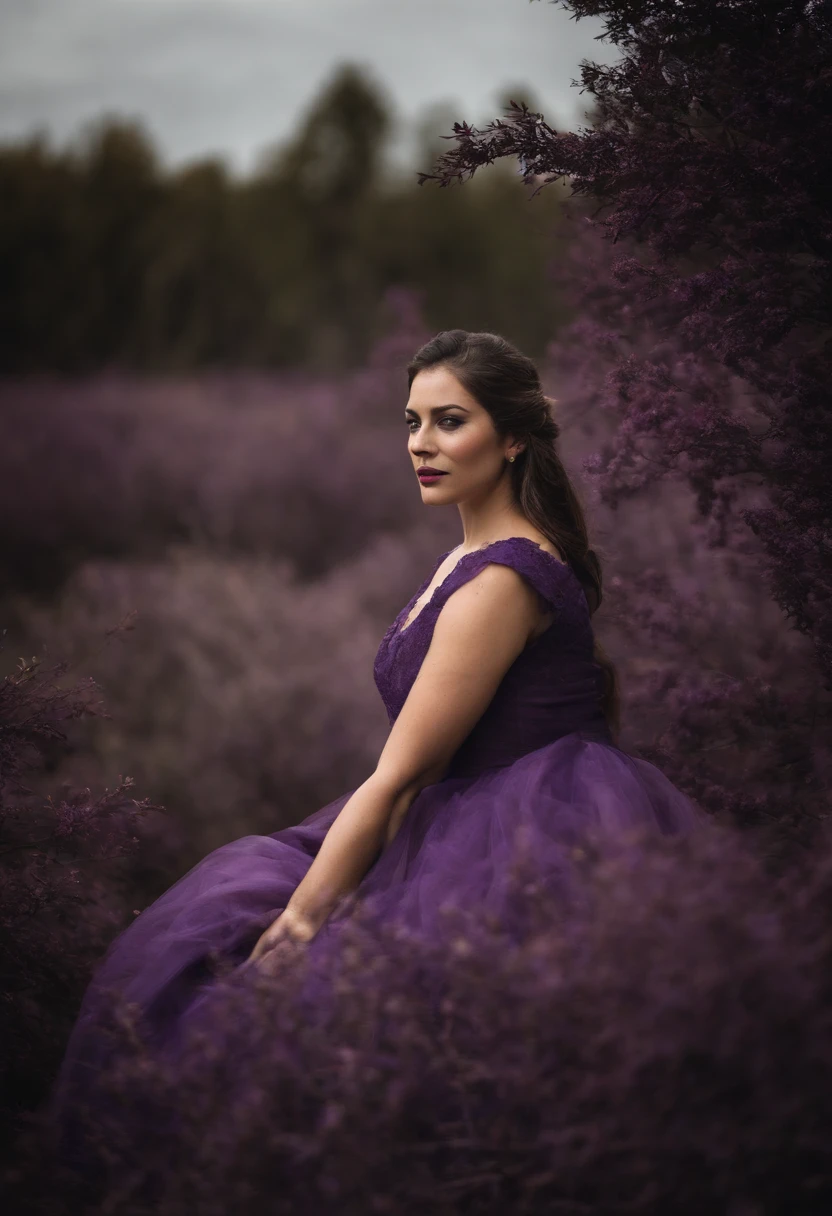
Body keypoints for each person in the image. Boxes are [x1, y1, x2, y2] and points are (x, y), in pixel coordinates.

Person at [51, 329, 704, 1124]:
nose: (421, 445)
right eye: (411, 421)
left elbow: (401, 780)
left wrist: (296, 927)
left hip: (524, 833)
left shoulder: (501, 579)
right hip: (460, 816)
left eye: (449, 421)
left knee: (287, 1020)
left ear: (513, 439)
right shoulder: (469, 557)